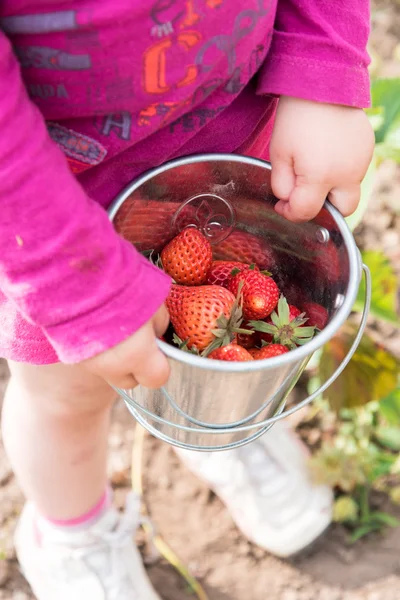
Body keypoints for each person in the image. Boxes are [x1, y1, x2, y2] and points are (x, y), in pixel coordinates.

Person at [0, 2, 374, 599]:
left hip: (236, 126)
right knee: (63, 397)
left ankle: (211, 425)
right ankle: (72, 535)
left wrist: (323, 64)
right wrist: (70, 276)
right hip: (58, 213)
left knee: (226, 329)